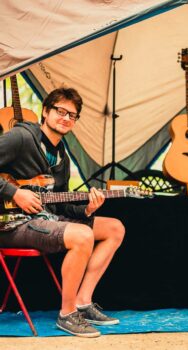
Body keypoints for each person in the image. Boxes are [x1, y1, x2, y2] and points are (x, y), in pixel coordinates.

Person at [0, 87, 125, 338]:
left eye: (73, 115)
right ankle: (67, 314)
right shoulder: (21, 137)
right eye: (60, 111)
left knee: (114, 228)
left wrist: (86, 208)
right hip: (11, 223)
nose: (66, 118)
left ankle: (82, 301)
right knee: (81, 236)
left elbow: (57, 205)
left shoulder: (61, 156)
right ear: (45, 112)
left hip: (44, 219)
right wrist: (15, 193)